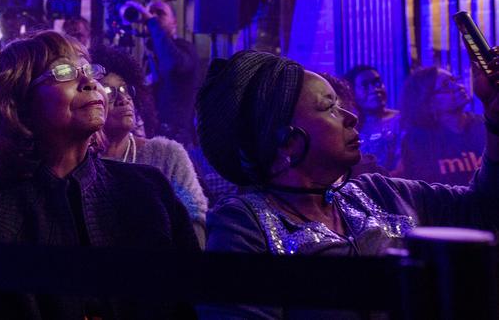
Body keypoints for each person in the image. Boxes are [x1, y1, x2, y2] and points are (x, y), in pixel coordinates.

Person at [198, 50, 499, 318]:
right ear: (288, 141)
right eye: (328, 108)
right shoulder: (243, 225)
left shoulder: (380, 193)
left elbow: (484, 209)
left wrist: (495, 116)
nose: (351, 117)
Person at [0, 30, 199, 319]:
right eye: (63, 71)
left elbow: (191, 303)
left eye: (89, 70)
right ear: (20, 106)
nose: (89, 82)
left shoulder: (150, 191)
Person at [90, 44, 208, 247]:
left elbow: (194, 220)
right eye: (109, 91)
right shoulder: (78, 162)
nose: (123, 99)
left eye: (125, 89)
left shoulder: (167, 155)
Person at [125, 0, 198, 147]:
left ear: (174, 22)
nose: (153, 16)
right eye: (151, 13)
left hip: (177, 139)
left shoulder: (185, 48)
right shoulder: (147, 53)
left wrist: (152, 23)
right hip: (152, 135)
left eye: (160, 13)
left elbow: (172, 64)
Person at [399, 66, 485, 185]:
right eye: (446, 85)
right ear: (427, 100)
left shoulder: (485, 126)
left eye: (455, 80)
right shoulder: (417, 141)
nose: (459, 87)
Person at [345, 64, 402, 173]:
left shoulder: (400, 121)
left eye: (377, 82)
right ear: (353, 93)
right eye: (365, 85)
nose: (375, 89)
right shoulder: (353, 127)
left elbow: (404, 165)